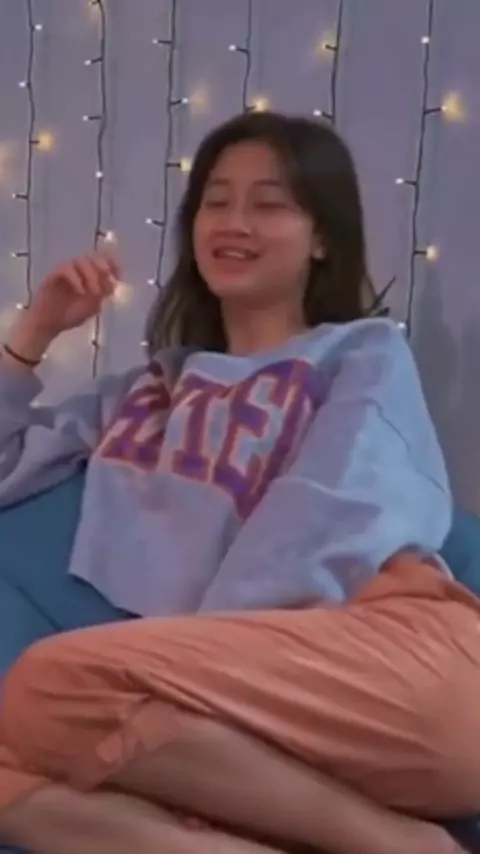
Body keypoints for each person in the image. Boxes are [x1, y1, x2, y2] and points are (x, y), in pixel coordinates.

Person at [0, 111, 475, 854]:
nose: (234, 222)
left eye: (269, 203)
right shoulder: (146, 392)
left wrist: (184, 682)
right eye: (215, 201)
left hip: (396, 655)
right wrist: (34, 333)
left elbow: (323, 524)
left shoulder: (361, 356)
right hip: (221, 698)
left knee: (46, 684)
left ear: (321, 238)